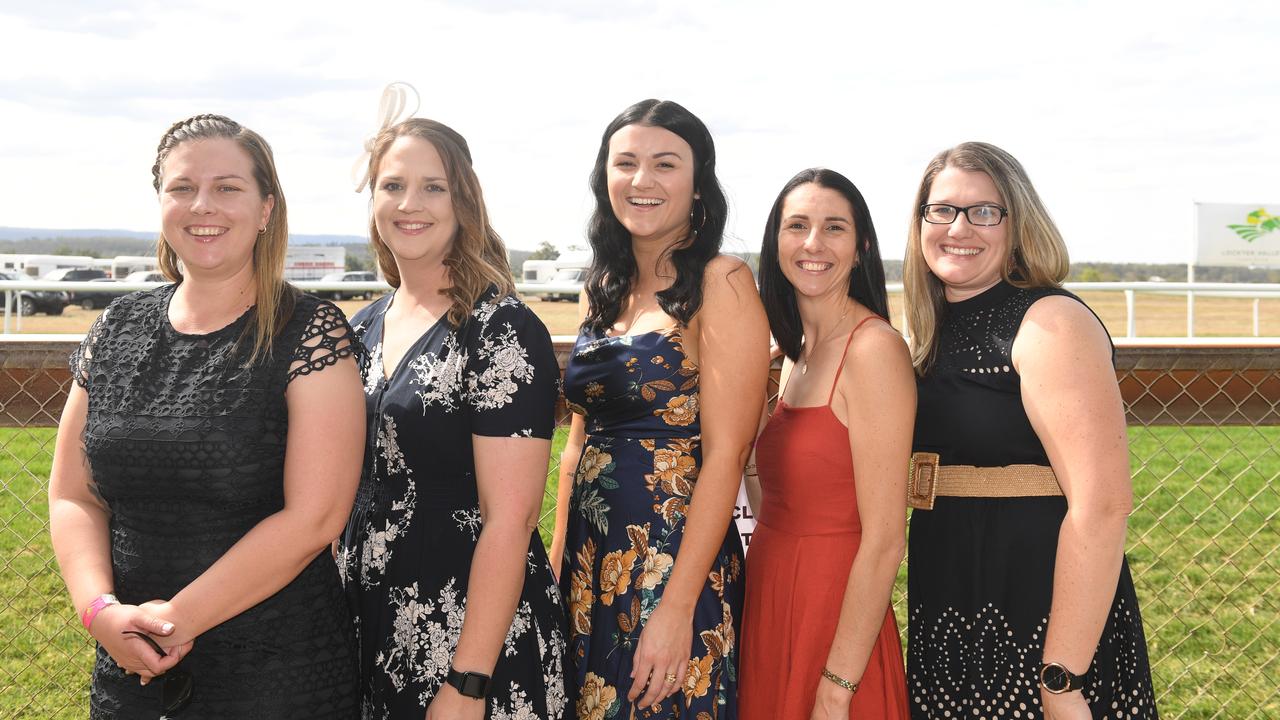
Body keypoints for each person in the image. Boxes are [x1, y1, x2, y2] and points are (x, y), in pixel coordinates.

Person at [48, 114, 365, 718]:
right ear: (161, 202)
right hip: (132, 669)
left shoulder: (310, 333)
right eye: (182, 187)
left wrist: (170, 624)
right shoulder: (114, 329)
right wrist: (101, 613)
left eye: (228, 187)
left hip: (276, 675)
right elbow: (73, 495)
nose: (203, 205)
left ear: (266, 207)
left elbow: (315, 518)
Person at [903, 142, 1158, 719]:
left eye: (984, 211)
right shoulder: (934, 328)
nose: (959, 227)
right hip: (950, 602)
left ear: (1017, 224)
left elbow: (1104, 504)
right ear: (920, 222)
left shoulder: (1048, 321)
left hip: (1038, 615)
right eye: (941, 210)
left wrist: (1062, 677)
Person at [336, 93, 567, 720]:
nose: (410, 204)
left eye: (432, 187)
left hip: (470, 634)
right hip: (373, 623)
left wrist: (467, 681)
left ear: (463, 202)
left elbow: (511, 519)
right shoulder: (362, 329)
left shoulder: (501, 330)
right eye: (393, 185)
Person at [551, 99, 769, 719]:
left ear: (698, 185)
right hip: (591, 564)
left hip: (671, 561)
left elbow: (728, 456)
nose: (642, 181)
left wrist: (676, 607)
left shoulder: (721, 283)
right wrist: (559, 562)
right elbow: (576, 444)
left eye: (665, 164)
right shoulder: (603, 286)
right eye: (626, 164)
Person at [740, 168, 913, 719]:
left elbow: (886, 539)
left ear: (860, 248)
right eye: (798, 226)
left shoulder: (873, 350)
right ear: (777, 242)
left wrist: (838, 687)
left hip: (834, 615)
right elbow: (776, 498)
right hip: (772, 595)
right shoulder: (792, 356)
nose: (813, 244)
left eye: (834, 227)